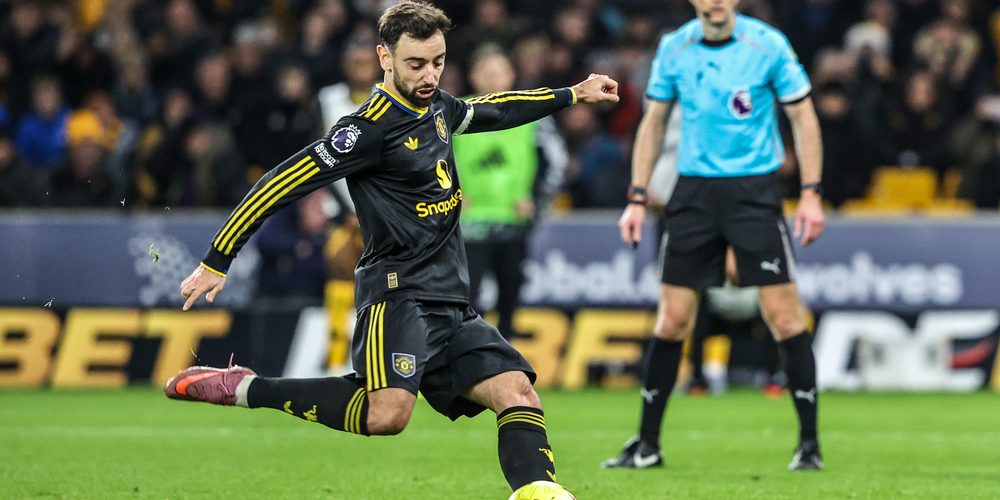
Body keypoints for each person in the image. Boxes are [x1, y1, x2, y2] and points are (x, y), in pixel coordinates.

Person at [163, 1, 619, 494]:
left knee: (519, 392)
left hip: (451, 301)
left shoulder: (440, 107)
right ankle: (248, 389)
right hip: (396, 296)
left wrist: (573, 93)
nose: (429, 75)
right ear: (385, 57)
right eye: (416, 64)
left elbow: (497, 108)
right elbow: (280, 182)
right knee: (388, 415)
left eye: (438, 62)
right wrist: (218, 258)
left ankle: (537, 493)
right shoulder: (364, 130)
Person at [604, 0, 825, 471]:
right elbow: (654, 123)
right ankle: (647, 445)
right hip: (694, 194)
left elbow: (804, 116)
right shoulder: (675, 46)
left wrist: (810, 192)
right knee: (672, 321)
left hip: (754, 193)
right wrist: (638, 197)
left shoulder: (766, 44)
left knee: (785, 318)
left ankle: (809, 444)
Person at [454, 46, 567, 341]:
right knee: (468, 298)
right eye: (486, 73)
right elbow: (430, 161)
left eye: (498, 72)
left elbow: (556, 162)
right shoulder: (455, 113)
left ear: (511, 75)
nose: (492, 79)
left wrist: (537, 202)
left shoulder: (533, 115)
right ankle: (471, 358)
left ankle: (503, 363)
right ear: (473, 76)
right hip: (468, 225)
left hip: (514, 223)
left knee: (510, 298)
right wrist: (449, 198)